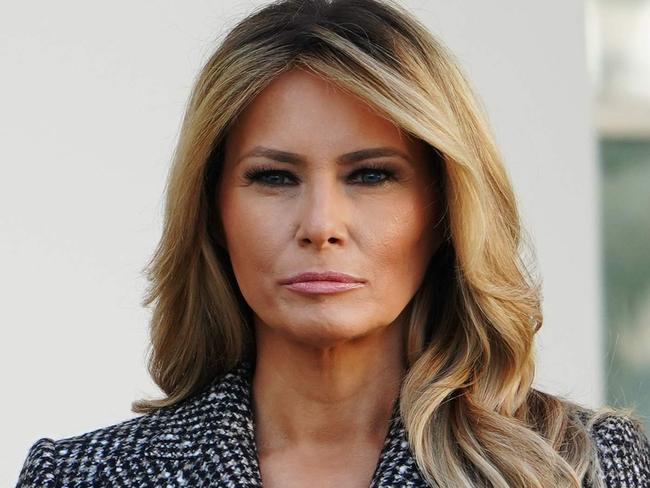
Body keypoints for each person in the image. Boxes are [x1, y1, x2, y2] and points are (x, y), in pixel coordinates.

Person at [16, 0, 650, 487]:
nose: (321, 224)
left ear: (445, 211)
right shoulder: (80, 475)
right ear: (213, 213)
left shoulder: (589, 468)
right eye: (273, 177)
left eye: (371, 175)